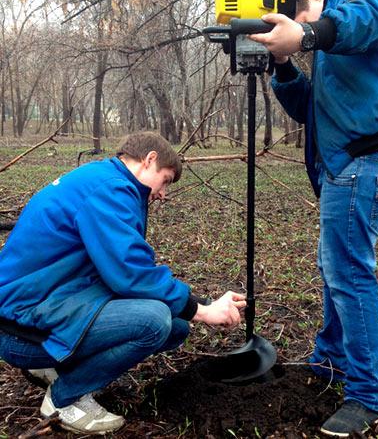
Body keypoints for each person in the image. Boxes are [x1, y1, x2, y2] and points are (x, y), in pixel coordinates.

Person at [250, 0, 378, 436]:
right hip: (350, 159)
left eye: (301, 19)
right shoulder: (336, 58)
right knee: (337, 266)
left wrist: (308, 34)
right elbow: (311, 108)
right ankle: (329, 360)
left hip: (372, 152)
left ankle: (367, 397)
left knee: (348, 269)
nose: (303, 32)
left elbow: (366, 19)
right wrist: (285, 65)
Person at [0, 132, 246, 434]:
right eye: (166, 180)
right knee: (154, 322)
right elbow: (130, 273)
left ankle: (57, 369)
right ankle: (64, 398)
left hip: (45, 304)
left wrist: (199, 304)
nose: (163, 193)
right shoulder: (110, 191)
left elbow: (117, 270)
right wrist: (204, 311)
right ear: (149, 160)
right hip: (22, 327)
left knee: (175, 325)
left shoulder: (103, 180)